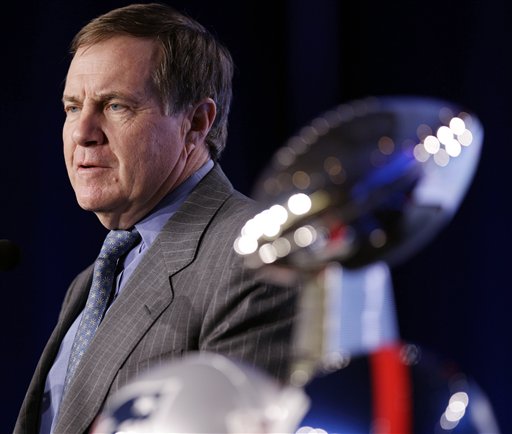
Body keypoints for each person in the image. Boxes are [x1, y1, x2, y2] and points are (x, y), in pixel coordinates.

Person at [14, 3, 299, 433]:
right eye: (73, 107)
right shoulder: (91, 281)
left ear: (197, 122)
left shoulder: (256, 258)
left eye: (114, 106)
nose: (82, 133)